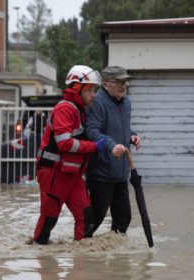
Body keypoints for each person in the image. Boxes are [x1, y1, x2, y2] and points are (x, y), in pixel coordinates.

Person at [33, 65, 109, 244]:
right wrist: (93, 147)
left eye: (94, 90)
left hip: (71, 174)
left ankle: (82, 262)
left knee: (87, 217)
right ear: (76, 88)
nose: (94, 94)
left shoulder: (79, 109)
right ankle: (42, 260)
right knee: (49, 218)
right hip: (54, 172)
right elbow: (64, 143)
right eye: (90, 90)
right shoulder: (65, 109)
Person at [85, 66, 141, 235]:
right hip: (101, 173)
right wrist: (111, 145)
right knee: (95, 220)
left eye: (125, 82)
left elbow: (122, 129)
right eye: (118, 82)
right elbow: (91, 132)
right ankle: (81, 255)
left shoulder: (126, 103)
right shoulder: (97, 102)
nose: (123, 86)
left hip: (121, 173)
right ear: (105, 83)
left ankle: (117, 257)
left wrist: (132, 136)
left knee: (124, 218)